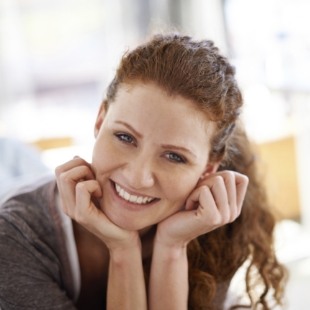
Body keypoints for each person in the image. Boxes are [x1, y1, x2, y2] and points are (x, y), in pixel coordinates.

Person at [0, 33, 287, 310]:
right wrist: (123, 248)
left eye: (174, 157)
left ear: (208, 168)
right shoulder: (15, 239)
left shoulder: (216, 227)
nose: (138, 177)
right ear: (100, 121)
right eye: (125, 138)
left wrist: (172, 246)